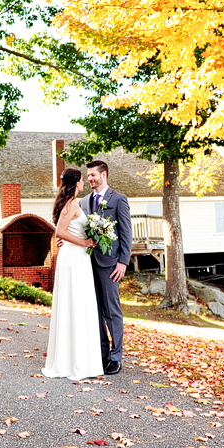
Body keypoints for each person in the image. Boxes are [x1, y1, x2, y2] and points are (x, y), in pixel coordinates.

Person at [42, 168, 104, 380]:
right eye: (81, 180)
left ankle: (79, 359)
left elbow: (66, 230)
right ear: (75, 182)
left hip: (79, 258)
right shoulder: (71, 203)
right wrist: (85, 242)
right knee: (75, 305)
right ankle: (73, 362)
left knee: (80, 305)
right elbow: (60, 231)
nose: (84, 183)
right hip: (74, 259)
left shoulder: (72, 203)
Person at [80, 160, 132, 375]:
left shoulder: (118, 199)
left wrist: (123, 261)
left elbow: (126, 233)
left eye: (93, 175)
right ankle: (101, 354)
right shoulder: (83, 202)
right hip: (86, 263)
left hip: (110, 264)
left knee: (112, 312)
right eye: (88, 175)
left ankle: (116, 357)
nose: (90, 179)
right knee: (95, 311)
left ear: (104, 174)